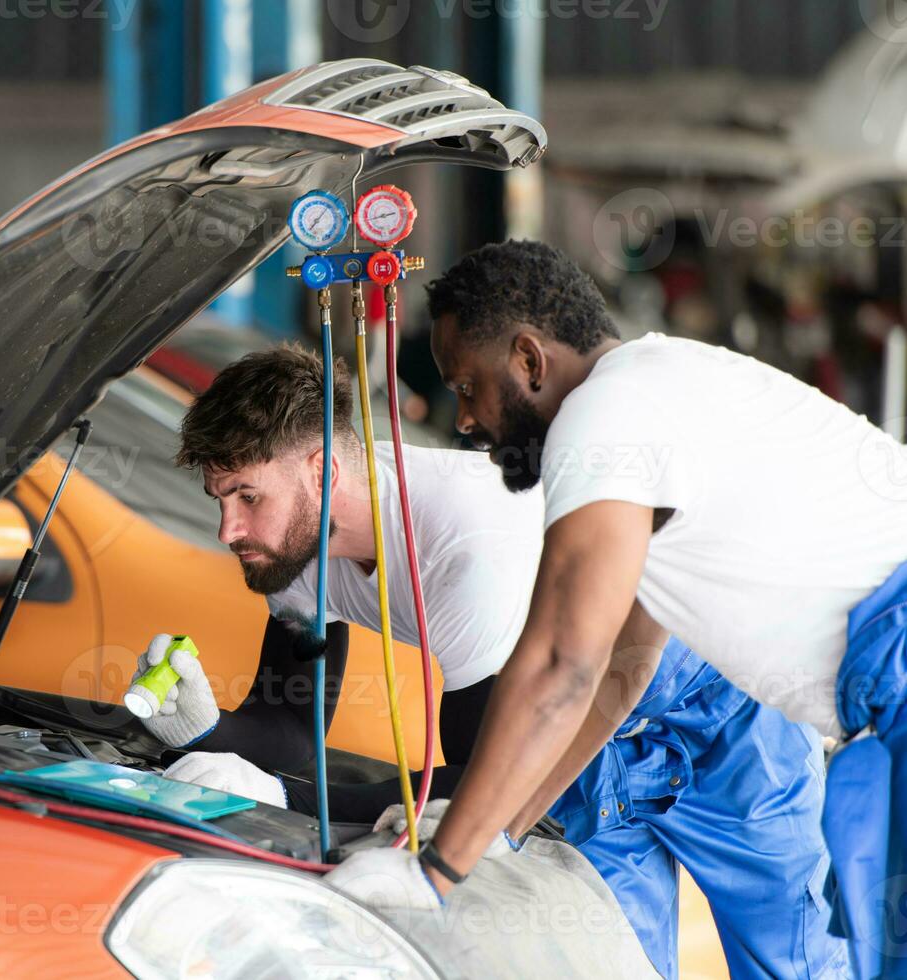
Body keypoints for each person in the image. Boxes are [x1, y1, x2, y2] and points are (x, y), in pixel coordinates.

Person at [126, 345, 848, 978]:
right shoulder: (294, 557)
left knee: (796, 963)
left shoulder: (459, 545)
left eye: (248, 497)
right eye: (220, 499)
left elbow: (477, 785)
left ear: (320, 470)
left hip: (717, 716)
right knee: (600, 963)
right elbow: (289, 730)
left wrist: (283, 797)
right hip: (579, 756)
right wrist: (204, 731)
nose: (229, 529)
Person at [355, 238, 907, 979]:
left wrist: (431, 875)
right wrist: (497, 835)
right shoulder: (660, 391)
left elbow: (560, 661)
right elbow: (623, 669)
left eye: (467, 387)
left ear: (528, 360)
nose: (464, 420)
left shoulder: (605, 420)